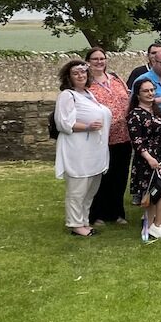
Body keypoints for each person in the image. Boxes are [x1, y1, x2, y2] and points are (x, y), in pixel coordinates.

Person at [55, 60, 112, 236]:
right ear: (69, 77)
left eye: (83, 72)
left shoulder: (88, 93)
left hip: (94, 150)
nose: (81, 76)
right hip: (78, 150)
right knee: (78, 189)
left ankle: (84, 220)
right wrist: (87, 127)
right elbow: (63, 123)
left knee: (90, 189)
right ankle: (75, 224)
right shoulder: (67, 95)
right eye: (76, 73)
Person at [84, 47, 131, 225]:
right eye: (95, 59)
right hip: (100, 139)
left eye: (102, 58)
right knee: (102, 177)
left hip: (123, 137)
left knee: (119, 176)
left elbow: (128, 98)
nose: (99, 62)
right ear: (88, 61)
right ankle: (97, 214)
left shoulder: (116, 79)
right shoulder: (86, 84)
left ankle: (117, 213)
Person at [127, 78, 161, 240]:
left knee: (157, 192)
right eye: (146, 91)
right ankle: (159, 224)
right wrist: (149, 158)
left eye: (152, 90)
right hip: (147, 159)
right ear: (138, 95)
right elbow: (137, 141)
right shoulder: (135, 115)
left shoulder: (158, 111)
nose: (150, 93)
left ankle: (151, 224)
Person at [132, 49, 161, 128]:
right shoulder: (143, 80)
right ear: (154, 62)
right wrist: (160, 100)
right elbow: (134, 104)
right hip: (149, 131)